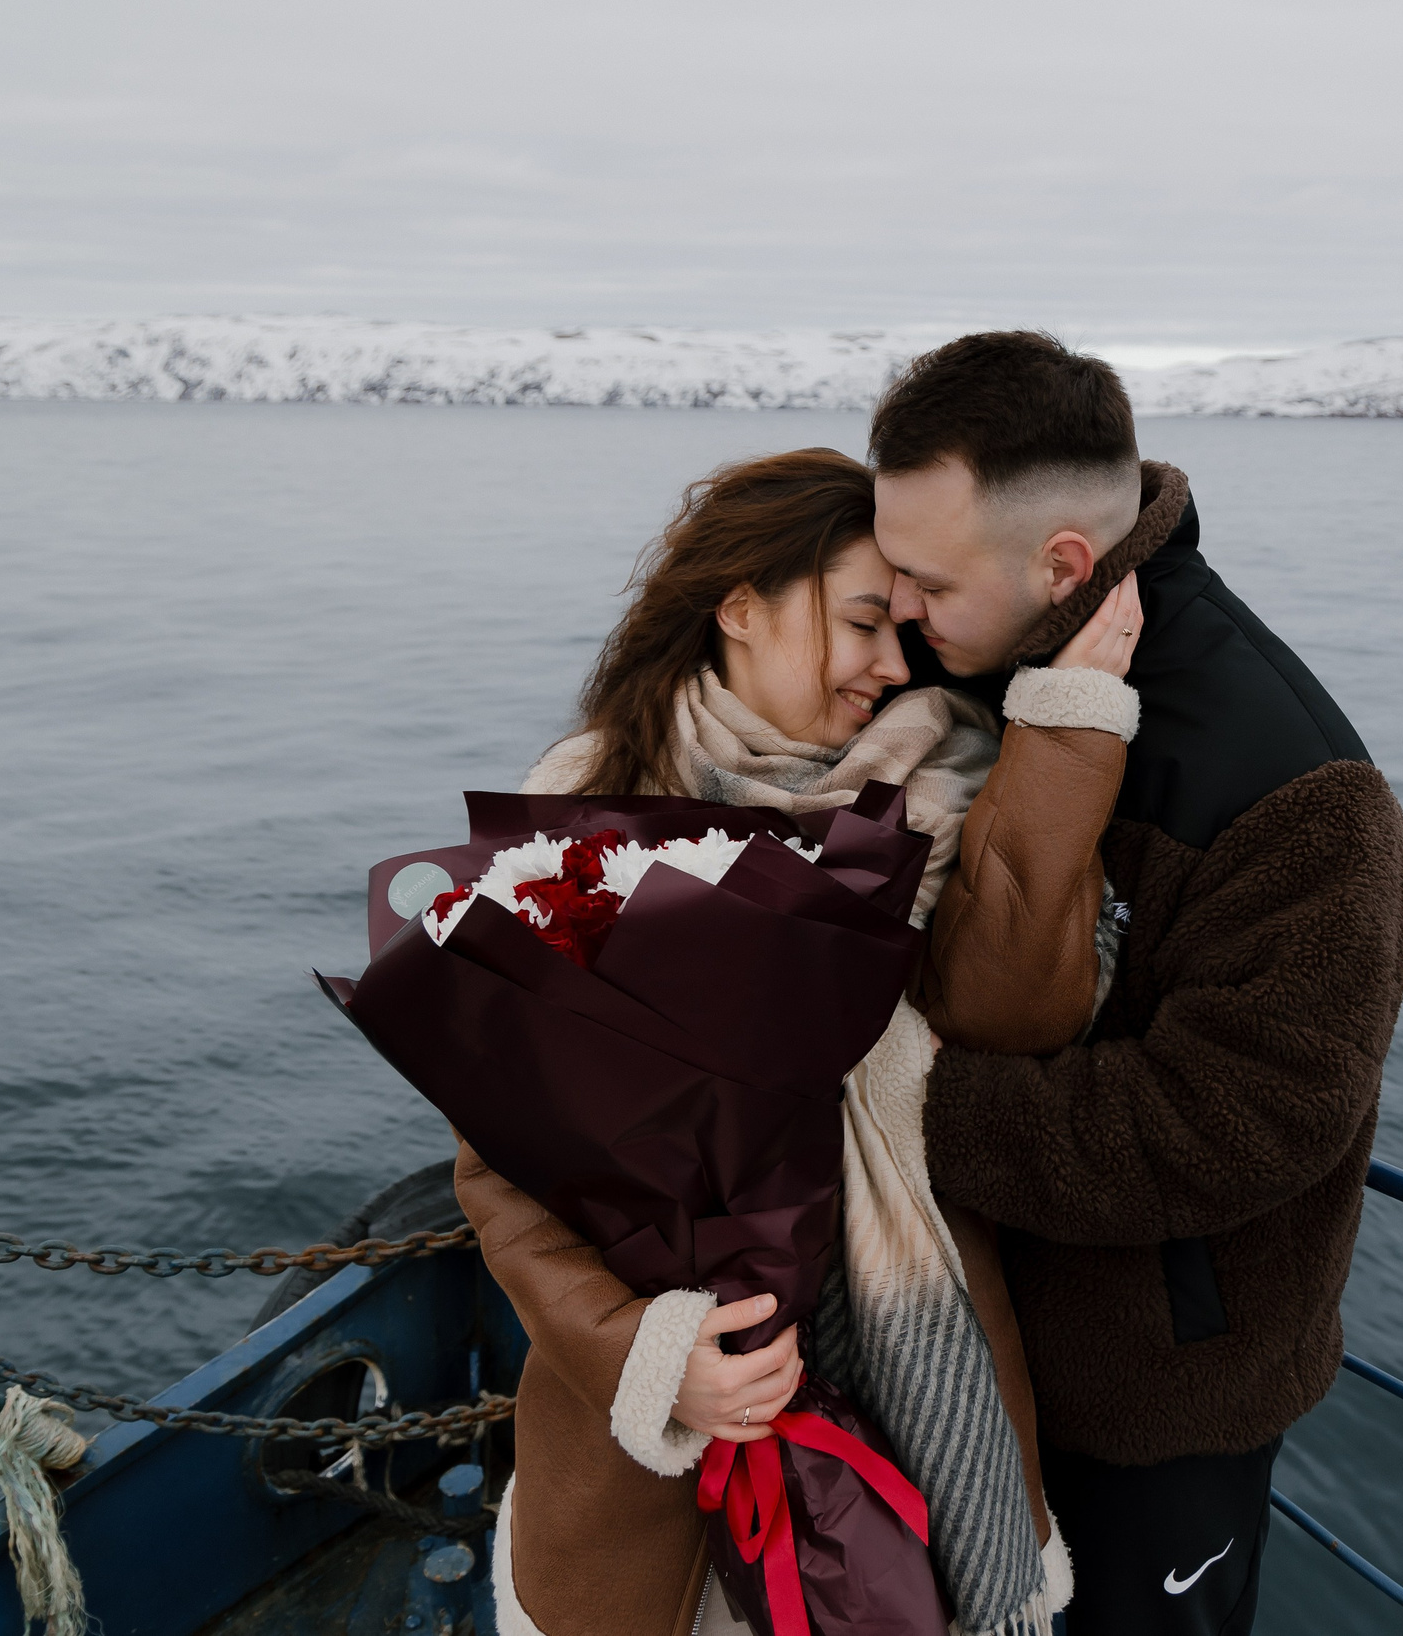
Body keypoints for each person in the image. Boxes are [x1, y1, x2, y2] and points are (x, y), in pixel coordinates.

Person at [455, 447, 1140, 1636]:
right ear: (738, 607)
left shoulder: (935, 785)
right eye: (862, 622)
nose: (889, 666)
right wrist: (652, 1359)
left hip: (909, 1398)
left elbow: (1015, 1013)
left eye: (902, 630)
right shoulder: (583, 816)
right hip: (659, 1454)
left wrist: (1065, 734)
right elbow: (501, 1169)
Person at [876, 333, 1403, 1636]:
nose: (894, 609)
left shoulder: (1297, 790)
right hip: (955, 1332)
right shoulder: (967, 666)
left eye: (924, 578)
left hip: (1157, 1402)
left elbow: (1240, 1116)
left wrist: (905, 1106)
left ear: (1065, 563)